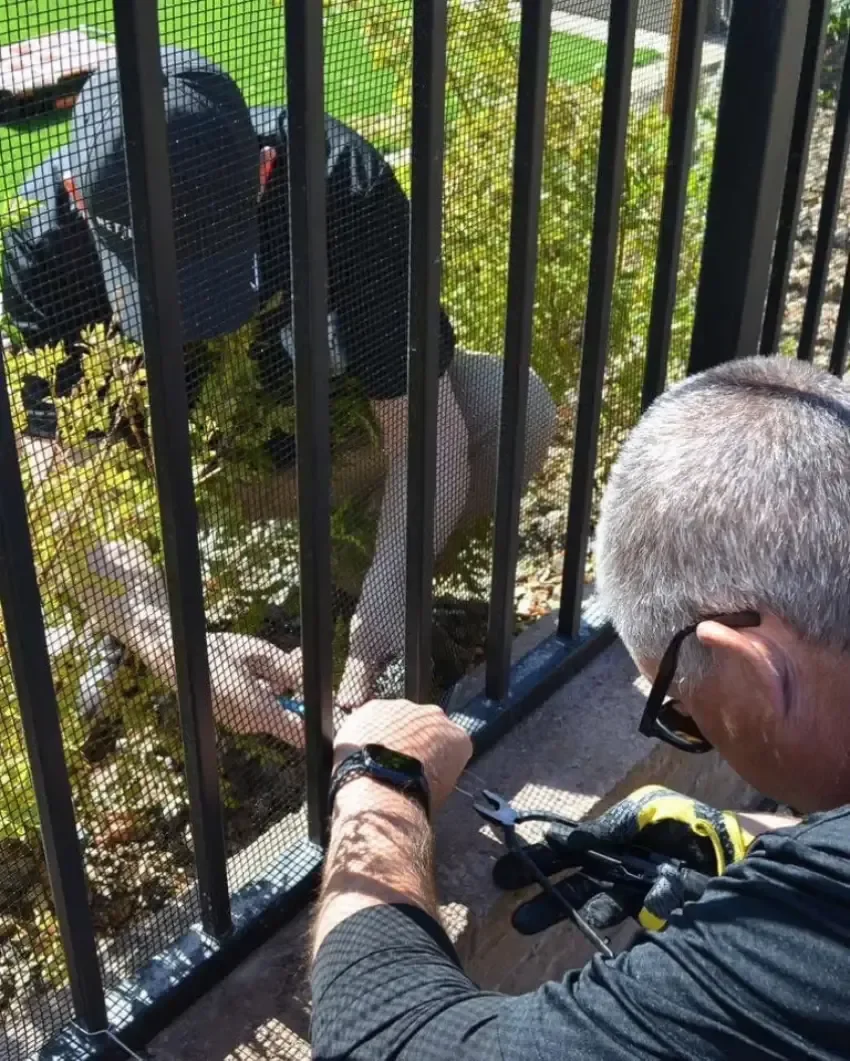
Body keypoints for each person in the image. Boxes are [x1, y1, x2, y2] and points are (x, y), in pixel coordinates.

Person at [309, 355, 850, 1060]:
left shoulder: (814, 940)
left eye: (680, 713)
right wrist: (767, 841)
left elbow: (387, 1043)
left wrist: (380, 784)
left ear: (751, 669)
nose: (691, 733)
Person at [1, 47, 556, 733]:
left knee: (512, 406)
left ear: (265, 170)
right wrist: (181, 649)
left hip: (316, 443)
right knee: (59, 509)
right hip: (167, 487)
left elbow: (426, 431)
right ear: (78, 198)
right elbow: (62, 508)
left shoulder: (334, 180)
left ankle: (344, 592)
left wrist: (384, 603)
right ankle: (133, 630)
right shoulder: (41, 251)